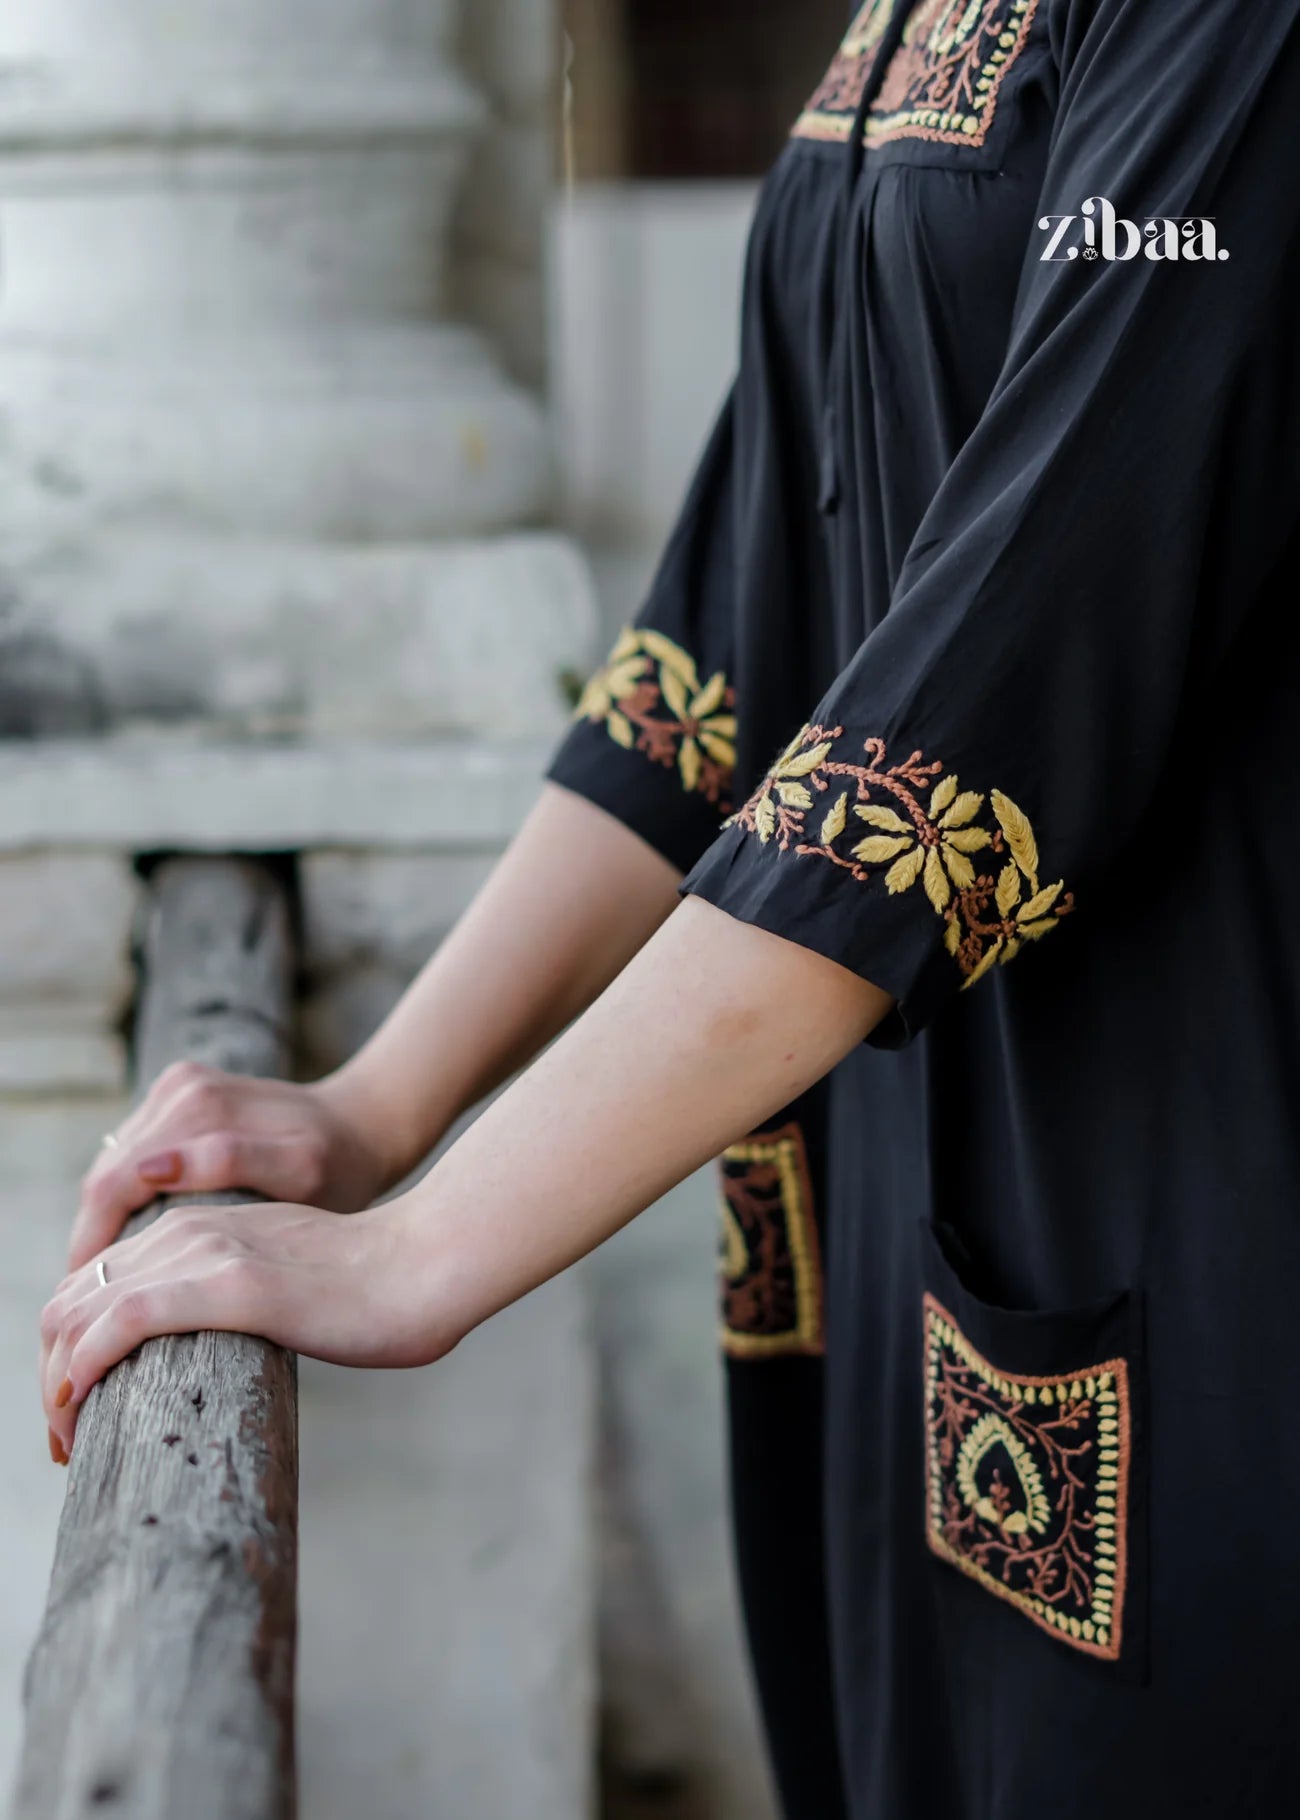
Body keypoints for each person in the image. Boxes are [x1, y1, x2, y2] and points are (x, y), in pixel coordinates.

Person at [39, 0, 1300, 1812]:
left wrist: (426, 1246)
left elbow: (985, 699)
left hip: (1181, 1194)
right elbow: (735, 640)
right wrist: (380, 1108)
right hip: (888, 1215)